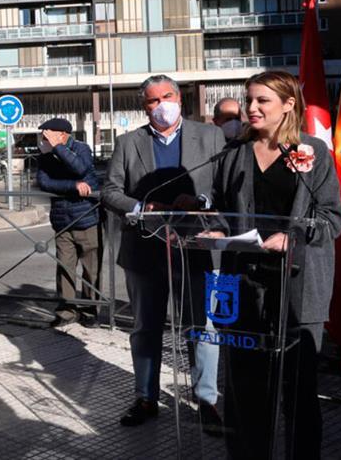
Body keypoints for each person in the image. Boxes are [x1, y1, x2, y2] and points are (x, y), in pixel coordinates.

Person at [206, 71, 341, 459]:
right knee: (245, 387)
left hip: (298, 287)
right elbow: (221, 209)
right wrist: (215, 230)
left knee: (298, 391)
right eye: (249, 99)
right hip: (245, 285)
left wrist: (293, 238)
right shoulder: (233, 153)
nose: (251, 108)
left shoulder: (312, 152)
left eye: (262, 101)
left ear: (288, 105)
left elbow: (333, 217)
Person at [102, 74, 226, 431]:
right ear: (144, 107)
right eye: (152, 101)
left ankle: (206, 401)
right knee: (145, 327)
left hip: (196, 249)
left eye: (166, 97)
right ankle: (145, 397)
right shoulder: (128, 142)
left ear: (180, 99)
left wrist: (202, 202)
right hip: (143, 250)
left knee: (202, 327)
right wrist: (143, 206)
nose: (160, 106)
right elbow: (110, 191)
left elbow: (225, 186)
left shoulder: (211, 136)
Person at [35, 118, 100, 327]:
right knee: (65, 267)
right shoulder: (46, 155)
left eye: (47, 134)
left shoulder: (81, 149)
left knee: (92, 269)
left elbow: (80, 169)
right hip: (62, 220)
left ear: (62, 134)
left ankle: (90, 311)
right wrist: (73, 186)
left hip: (87, 218)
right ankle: (67, 312)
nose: (43, 139)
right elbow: (44, 182)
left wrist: (59, 148)